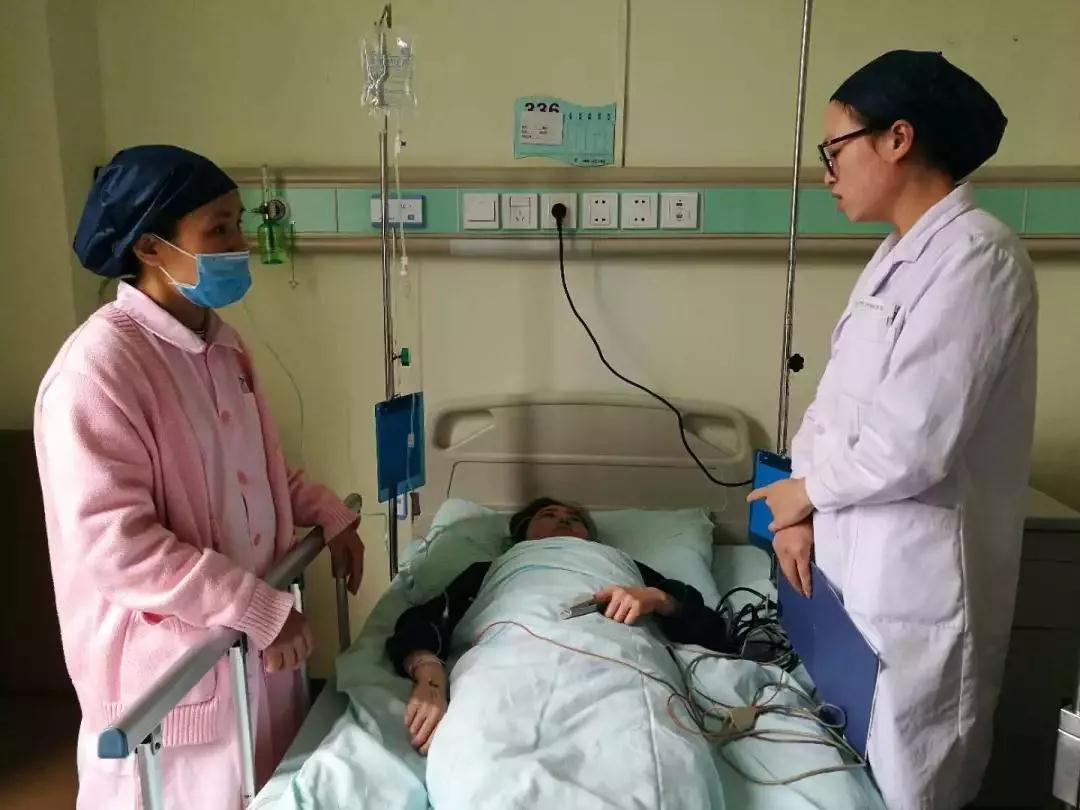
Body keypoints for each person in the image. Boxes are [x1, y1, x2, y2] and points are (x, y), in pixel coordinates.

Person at [34, 145, 366, 809]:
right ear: (150, 247)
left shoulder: (222, 346)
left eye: (238, 223)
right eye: (218, 229)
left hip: (247, 658)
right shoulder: (97, 373)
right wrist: (257, 607)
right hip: (169, 685)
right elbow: (117, 548)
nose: (241, 244)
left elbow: (257, 470)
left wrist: (329, 514)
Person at [747, 51, 1036, 809]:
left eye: (835, 149)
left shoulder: (979, 258)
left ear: (897, 138)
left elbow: (914, 443)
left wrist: (806, 493)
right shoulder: (895, 259)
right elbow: (833, 407)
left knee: (912, 787)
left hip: (917, 592)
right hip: (849, 578)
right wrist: (796, 510)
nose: (827, 174)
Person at [385, 498, 731, 754]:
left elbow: (715, 632)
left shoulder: (622, 565)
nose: (563, 520)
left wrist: (658, 599)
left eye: (574, 518)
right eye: (548, 515)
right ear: (522, 533)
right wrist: (430, 677)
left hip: (618, 661)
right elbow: (423, 621)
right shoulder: (491, 569)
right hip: (509, 662)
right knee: (485, 746)